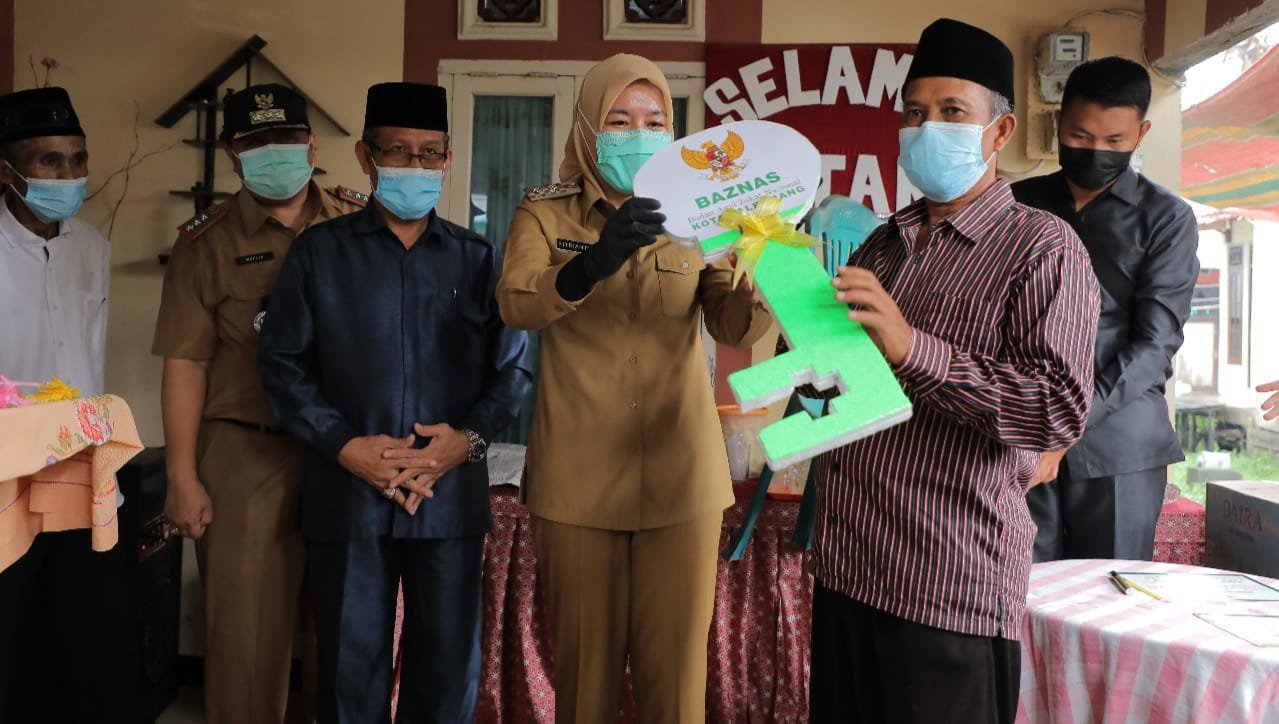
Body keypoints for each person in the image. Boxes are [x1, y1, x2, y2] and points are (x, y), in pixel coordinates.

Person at [804, 19, 1100, 723]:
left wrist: (914, 349)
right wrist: (801, 326)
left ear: (999, 132)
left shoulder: (1042, 248)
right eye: (914, 113)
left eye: (950, 111)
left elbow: (1057, 410)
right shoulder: (883, 243)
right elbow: (840, 384)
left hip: (947, 585)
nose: (925, 128)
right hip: (848, 567)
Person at [497, 54, 773, 723]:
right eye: (619, 120)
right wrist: (592, 262)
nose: (638, 133)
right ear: (588, 129)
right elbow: (516, 304)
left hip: (681, 476)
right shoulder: (543, 213)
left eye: (654, 121)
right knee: (584, 684)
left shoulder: (699, 209)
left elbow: (730, 322)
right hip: (578, 478)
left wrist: (756, 282)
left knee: (675, 684)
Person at [258, 81, 531, 724]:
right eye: (398, 151)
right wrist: (345, 446)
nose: (416, 165)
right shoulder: (319, 254)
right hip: (348, 495)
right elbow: (283, 365)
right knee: (349, 673)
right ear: (366, 156)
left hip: (448, 498)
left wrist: (464, 442)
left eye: (430, 153)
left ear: (448, 159)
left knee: (447, 674)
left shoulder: (478, 258)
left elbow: (513, 371)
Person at [152, 83, 368, 724]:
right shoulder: (206, 242)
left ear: (312, 144)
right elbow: (186, 362)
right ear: (231, 153)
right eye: (256, 141)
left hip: (347, 452)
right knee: (246, 640)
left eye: (286, 138)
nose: (274, 150)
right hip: (247, 451)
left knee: (350, 631)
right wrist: (181, 476)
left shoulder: (360, 223)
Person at [1014, 57, 1199, 562]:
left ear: (1141, 134)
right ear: (1058, 123)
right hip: (1020, 434)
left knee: (1109, 590)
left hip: (1119, 444)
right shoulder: (1016, 206)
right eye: (1080, 135)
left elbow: (1154, 345)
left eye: (1115, 140)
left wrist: (1068, 421)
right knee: (1019, 589)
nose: (1096, 150)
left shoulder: (1167, 218)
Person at [0, 86, 136, 724]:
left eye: (77, 159)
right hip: (7, 476)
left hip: (83, 466)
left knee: (91, 634)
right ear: (8, 171)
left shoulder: (91, 246)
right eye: (49, 160)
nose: (68, 175)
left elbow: (91, 354)